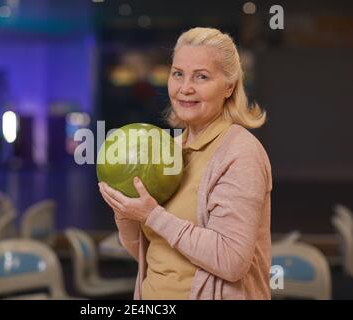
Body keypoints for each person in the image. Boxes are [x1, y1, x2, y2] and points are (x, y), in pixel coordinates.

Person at [98, 27, 272, 300]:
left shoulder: (241, 153)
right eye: (178, 73)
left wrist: (152, 215)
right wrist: (126, 210)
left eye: (201, 76)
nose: (185, 88)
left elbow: (231, 261)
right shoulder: (171, 149)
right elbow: (149, 251)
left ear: (229, 86)